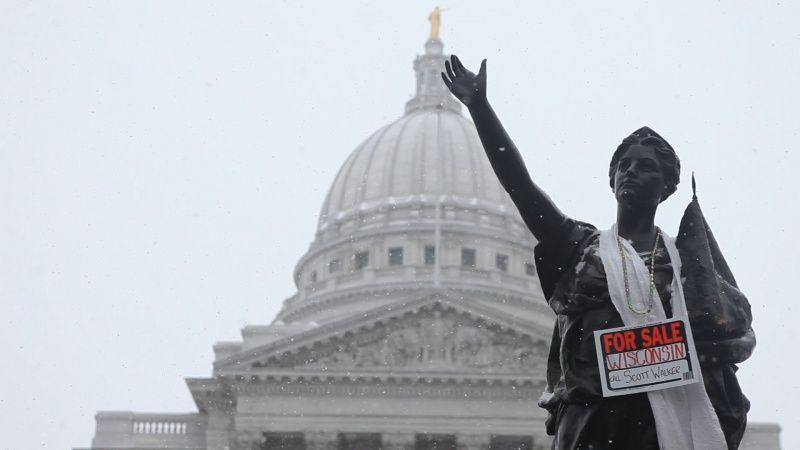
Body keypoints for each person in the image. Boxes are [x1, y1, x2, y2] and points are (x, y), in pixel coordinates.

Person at [441, 55, 754, 449]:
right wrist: (481, 109)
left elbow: (727, 337)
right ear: (612, 178)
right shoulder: (580, 249)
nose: (630, 171)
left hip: (662, 426)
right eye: (624, 165)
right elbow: (520, 186)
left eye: (645, 166)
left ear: (668, 187)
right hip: (593, 421)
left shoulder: (687, 265)